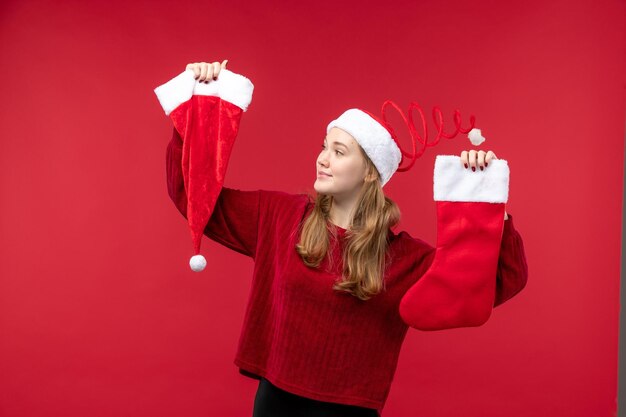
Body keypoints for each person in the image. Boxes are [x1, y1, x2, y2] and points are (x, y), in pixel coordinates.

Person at [164, 60, 528, 417]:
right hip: (275, 402)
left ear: (371, 173)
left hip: (349, 411)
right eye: (324, 146)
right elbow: (194, 196)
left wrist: (488, 200)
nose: (323, 159)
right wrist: (199, 109)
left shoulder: (402, 257)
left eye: (338, 152)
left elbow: (497, 282)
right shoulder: (279, 217)